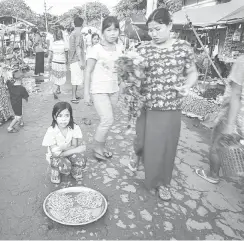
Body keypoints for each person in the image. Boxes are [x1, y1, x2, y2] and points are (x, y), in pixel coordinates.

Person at [131, 8, 198, 201]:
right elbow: (134, 76)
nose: (153, 34)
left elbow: (192, 72)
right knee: (144, 143)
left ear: (170, 25)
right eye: (150, 30)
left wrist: (187, 85)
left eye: (158, 29)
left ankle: (162, 183)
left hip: (170, 107)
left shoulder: (183, 48)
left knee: (165, 148)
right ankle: (137, 153)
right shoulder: (142, 49)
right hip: (146, 106)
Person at [195, 55, 244, 184]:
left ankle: (213, 175)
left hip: (236, 116)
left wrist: (229, 125)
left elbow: (236, 95)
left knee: (217, 146)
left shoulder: (242, 61)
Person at [84, 16, 122, 162]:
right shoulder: (96, 49)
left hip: (114, 89)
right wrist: (86, 93)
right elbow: (88, 71)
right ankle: (97, 148)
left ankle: (102, 146)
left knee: (108, 121)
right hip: (99, 89)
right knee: (107, 119)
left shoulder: (119, 48)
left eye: (116, 29)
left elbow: (121, 68)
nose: (113, 33)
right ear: (103, 32)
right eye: (109, 30)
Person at [42, 102, 87, 184]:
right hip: (55, 157)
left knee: (81, 159)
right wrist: (76, 150)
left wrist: (63, 149)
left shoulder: (74, 127)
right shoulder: (51, 131)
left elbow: (74, 145)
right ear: (55, 117)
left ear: (70, 116)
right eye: (60, 116)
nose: (63, 119)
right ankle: (55, 171)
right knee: (65, 166)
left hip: (65, 153)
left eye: (67, 115)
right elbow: (56, 154)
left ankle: (74, 169)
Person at [6, 69, 29, 133]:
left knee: (19, 112)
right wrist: (26, 100)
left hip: (13, 103)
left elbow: (7, 81)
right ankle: (10, 128)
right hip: (18, 104)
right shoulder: (21, 88)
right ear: (21, 78)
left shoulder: (10, 84)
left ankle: (21, 122)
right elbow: (26, 97)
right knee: (18, 116)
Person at [68, 17, 85, 104]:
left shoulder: (72, 33)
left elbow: (72, 48)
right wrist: (80, 60)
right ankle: (73, 97)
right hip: (76, 59)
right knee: (75, 79)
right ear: (82, 24)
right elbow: (78, 47)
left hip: (72, 59)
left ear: (74, 24)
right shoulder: (79, 34)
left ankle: (75, 95)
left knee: (76, 78)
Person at [48, 29, 68, 99]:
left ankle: (58, 89)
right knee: (60, 76)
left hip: (54, 62)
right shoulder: (64, 43)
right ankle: (55, 90)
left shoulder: (52, 43)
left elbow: (50, 55)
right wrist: (67, 61)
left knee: (56, 76)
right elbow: (66, 54)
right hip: (61, 62)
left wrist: (49, 62)